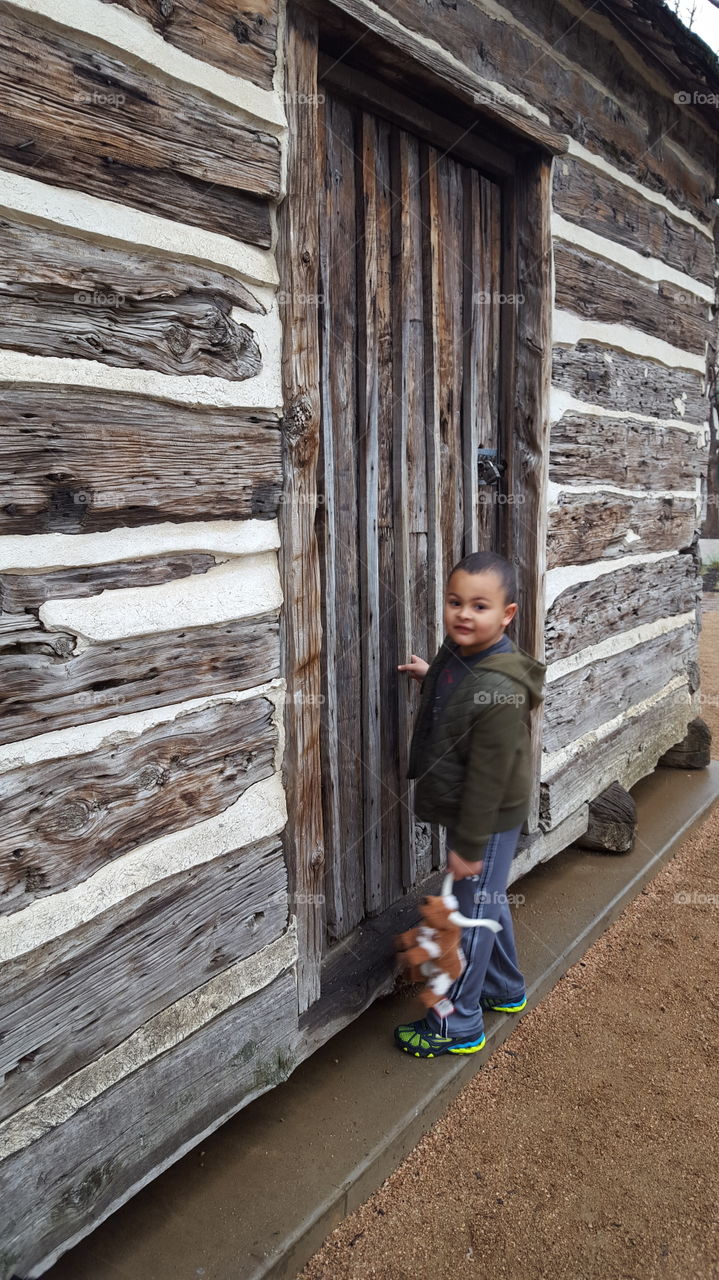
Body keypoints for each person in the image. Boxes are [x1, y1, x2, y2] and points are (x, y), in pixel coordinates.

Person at [394, 549, 545, 1058]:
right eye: (455, 601)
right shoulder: (460, 653)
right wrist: (427, 674)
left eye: (479, 606)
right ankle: (505, 989)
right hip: (473, 812)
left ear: (507, 615)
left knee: (467, 914)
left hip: (487, 814)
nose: (463, 614)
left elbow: (489, 776)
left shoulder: (500, 688)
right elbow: (451, 677)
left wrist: (471, 846)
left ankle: (458, 1023)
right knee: (487, 901)